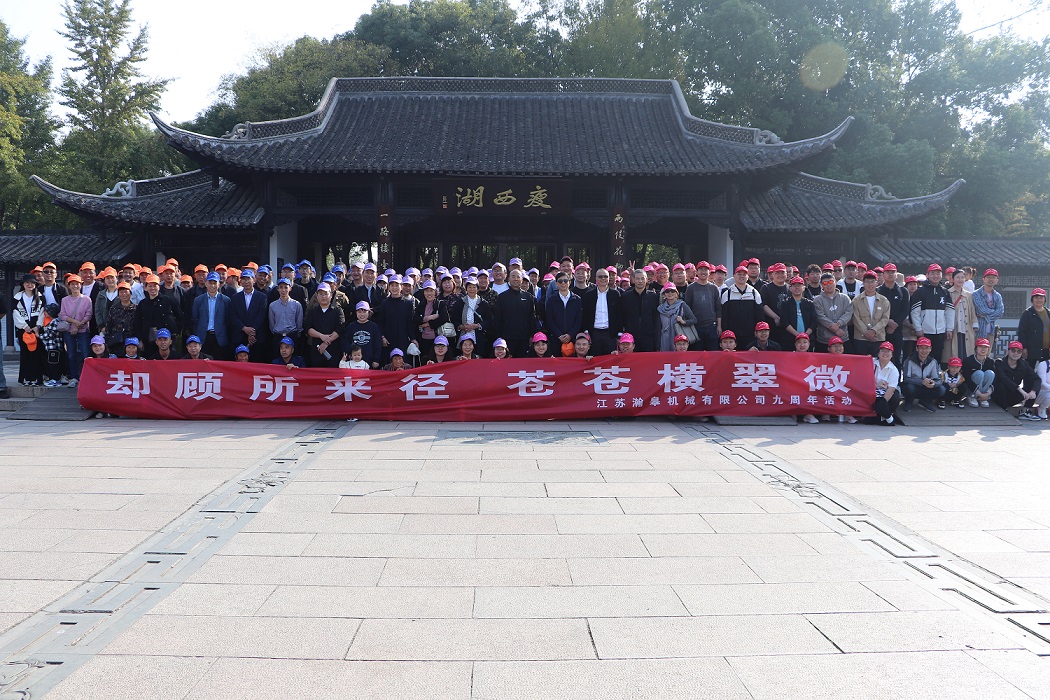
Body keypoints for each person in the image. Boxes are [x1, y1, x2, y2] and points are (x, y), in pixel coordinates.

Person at [910, 264, 953, 366]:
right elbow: (915, 312)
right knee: (922, 356)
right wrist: (918, 328)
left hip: (940, 331)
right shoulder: (920, 291)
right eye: (933, 273)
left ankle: (935, 374)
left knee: (937, 356)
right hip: (925, 331)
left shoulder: (944, 291)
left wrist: (949, 328)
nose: (935, 276)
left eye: (938, 273)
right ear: (927, 275)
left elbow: (949, 311)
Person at [492, 269, 538, 359]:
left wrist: (532, 335)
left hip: (524, 339)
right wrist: (499, 337)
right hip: (507, 339)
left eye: (518, 277)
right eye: (513, 276)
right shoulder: (502, 297)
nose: (516, 279)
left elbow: (532, 317)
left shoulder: (528, 297)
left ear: (521, 279)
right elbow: (497, 319)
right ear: (509, 279)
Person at [58, 274, 93, 387]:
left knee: (85, 354)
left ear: (81, 285)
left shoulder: (86, 299)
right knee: (71, 355)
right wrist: (75, 323)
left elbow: (88, 315)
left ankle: (86, 377)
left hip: (83, 331)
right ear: (69, 286)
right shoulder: (65, 300)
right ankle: (74, 377)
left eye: (77, 284)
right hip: (69, 331)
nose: (75, 286)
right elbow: (62, 315)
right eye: (72, 284)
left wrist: (78, 326)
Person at [230, 268, 271, 363]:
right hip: (240, 336)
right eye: (244, 279)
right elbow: (233, 315)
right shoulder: (235, 297)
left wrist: (251, 332)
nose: (246, 282)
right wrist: (244, 328)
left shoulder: (262, 297)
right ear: (240, 281)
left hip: (257, 337)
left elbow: (262, 316)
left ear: (254, 280)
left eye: (248, 279)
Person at [994, 341, 1041, 419]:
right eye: (1013, 350)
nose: (1016, 353)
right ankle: (1003, 410)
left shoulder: (1024, 364)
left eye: (1019, 351)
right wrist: (1019, 389)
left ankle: (1025, 410)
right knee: (1001, 385)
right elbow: (1003, 378)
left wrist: (1033, 391)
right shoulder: (999, 362)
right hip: (999, 396)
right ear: (1007, 351)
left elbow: (1036, 379)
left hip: (1013, 395)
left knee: (1033, 384)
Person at [191, 272, 232, 361]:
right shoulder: (198, 300)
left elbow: (228, 320)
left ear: (219, 284)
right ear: (206, 283)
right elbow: (195, 319)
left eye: (215, 283)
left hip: (220, 338)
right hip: (204, 337)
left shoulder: (226, 300)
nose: (212, 285)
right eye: (210, 283)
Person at [13, 274, 45, 386]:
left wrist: (38, 326)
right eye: (27, 282)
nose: (30, 285)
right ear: (23, 284)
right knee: (25, 354)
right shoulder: (17, 298)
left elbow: (42, 313)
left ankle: (37, 379)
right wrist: (24, 326)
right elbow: (15, 313)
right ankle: (26, 379)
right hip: (23, 330)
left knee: (37, 355)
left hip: (36, 330)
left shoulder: (40, 297)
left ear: (35, 284)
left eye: (32, 283)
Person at [581, 267, 622, 355]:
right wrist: (586, 332)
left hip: (610, 334)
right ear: (596, 278)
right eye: (600, 277)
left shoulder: (615, 294)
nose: (603, 279)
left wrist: (619, 334)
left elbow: (619, 314)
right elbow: (585, 315)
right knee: (594, 359)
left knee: (611, 359)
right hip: (594, 333)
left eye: (605, 276)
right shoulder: (589, 295)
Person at [719, 265, 763, 348]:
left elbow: (759, 314)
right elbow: (723, 316)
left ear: (747, 276)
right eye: (739, 274)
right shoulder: (727, 294)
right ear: (734, 276)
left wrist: (757, 330)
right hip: (732, 336)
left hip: (750, 334)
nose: (742, 276)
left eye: (744, 274)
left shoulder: (754, 293)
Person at [851, 271, 890, 357]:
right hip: (861, 338)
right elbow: (856, 319)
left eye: (872, 281)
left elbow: (885, 319)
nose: (870, 284)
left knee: (877, 362)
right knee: (861, 362)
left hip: (878, 338)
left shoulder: (884, 300)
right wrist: (867, 333)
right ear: (863, 283)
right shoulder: (856, 300)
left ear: (877, 283)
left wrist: (874, 331)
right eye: (867, 282)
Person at [304, 283, 344, 368]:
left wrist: (326, 342)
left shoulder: (337, 311)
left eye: (326, 294)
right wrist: (321, 336)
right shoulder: (312, 311)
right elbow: (308, 328)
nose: (323, 297)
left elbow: (340, 328)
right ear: (317, 296)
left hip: (334, 350)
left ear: (331, 295)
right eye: (321, 294)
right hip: (316, 350)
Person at [683, 262, 721, 350]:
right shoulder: (691, 288)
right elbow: (687, 309)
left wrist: (719, 326)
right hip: (696, 326)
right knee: (697, 354)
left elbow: (718, 308)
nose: (703, 272)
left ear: (709, 272)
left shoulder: (714, 288)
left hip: (711, 326)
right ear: (696, 272)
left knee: (713, 354)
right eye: (701, 269)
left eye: (705, 270)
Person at [620, 269, 660, 352]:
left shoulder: (653, 297)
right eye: (637, 278)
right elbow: (621, 317)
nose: (640, 281)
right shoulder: (626, 297)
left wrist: (657, 341)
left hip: (649, 338)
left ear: (646, 279)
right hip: (630, 338)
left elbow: (656, 319)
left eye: (642, 278)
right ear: (633, 280)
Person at [902, 336, 946, 412]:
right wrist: (922, 382)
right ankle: (908, 402)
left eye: (926, 348)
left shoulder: (933, 362)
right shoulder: (909, 361)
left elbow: (938, 380)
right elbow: (906, 378)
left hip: (927, 387)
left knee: (941, 389)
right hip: (914, 386)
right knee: (909, 387)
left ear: (930, 349)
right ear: (917, 348)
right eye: (921, 348)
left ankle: (925, 402)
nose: (924, 350)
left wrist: (933, 383)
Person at [812, 273, 852, 353]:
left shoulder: (845, 298)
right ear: (821, 285)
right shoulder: (817, 300)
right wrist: (835, 328)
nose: (828, 285)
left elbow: (848, 313)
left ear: (835, 282)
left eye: (830, 282)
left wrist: (839, 323)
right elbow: (820, 316)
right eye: (825, 283)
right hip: (824, 340)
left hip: (842, 338)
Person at [451, 277, 491, 356]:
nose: (472, 289)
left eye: (474, 287)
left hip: (478, 336)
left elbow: (488, 320)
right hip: (463, 334)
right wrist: (461, 326)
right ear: (466, 288)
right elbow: (454, 319)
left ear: (477, 288)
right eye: (469, 287)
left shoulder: (484, 303)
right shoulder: (459, 303)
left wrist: (476, 326)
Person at [945, 268, 977, 365]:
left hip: (966, 326)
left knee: (966, 351)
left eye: (962, 277)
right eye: (957, 277)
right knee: (954, 351)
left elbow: (972, 310)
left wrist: (975, 324)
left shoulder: (968, 295)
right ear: (953, 279)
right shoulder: (947, 293)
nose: (960, 279)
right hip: (953, 327)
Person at [268, 278, 304, 358]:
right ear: (278, 289)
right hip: (278, 336)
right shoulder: (272, 305)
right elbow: (272, 323)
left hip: (292, 335)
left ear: (290, 288)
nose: (283, 290)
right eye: (281, 287)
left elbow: (299, 322)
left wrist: (297, 334)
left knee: (293, 360)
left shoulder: (296, 305)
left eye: (286, 287)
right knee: (277, 360)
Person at [342, 301, 384, 369]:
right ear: (356, 313)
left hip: (369, 361)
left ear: (369, 312)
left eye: (364, 312)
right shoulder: (350, 326)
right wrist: (349, 353)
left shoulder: (374, 327)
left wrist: (376, 359)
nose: (362, 314)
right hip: (353, 362)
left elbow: (378, 344)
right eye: (359, 312)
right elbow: (345, 341)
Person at [778, 276, 815, 348]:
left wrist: (805, 335)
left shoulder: (809, 303)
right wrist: (797, 335)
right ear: (790, 288)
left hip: (807, 340)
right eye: (794, 285)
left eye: (799, 285)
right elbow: (784, 321)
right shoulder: (785, 303)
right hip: (790, 340)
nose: (797, 288)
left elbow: (814, 321)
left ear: (803, 288)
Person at [1016, 288, 1050, 368]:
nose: (1039, 300)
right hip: (1032, 349)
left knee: (1045, 371)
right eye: (1036, 297)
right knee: (1029, 371)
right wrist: (1024, 348)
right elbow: (1022, 332)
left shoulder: (1048, 313)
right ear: (1032, 299)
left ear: (1044, 299)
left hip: (1047, 350)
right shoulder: (1027, 313)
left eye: (1041, 297)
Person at [872, 341, 902, 425]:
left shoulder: (893, 370)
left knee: (895, 396)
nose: (885, 353)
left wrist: (883, 404)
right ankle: (888, 418)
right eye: (883, 351)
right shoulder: (871, 363)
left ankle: (886, 416)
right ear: (878, 353)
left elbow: (891, 389)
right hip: (870, 390)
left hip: (884, 393)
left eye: (888, 351)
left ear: (891, 355)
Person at [972, 268, 1004, 342]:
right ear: (983, 279)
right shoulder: (976, 294)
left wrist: (985, 317)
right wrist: (994, 311)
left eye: (993, 277)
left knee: (989, 350)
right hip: (978, 330)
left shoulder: (997, 296)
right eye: (988, 277)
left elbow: (1000, 312)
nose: (991, 279)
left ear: (997, 280)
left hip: (991, 331)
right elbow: (982, 310)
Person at [963, 337, 996, 407]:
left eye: (985, 347)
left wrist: (988, 393)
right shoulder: (968, 361)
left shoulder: (990, 362)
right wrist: (979, 393)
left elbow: (995, 380)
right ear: (976, 348)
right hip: (970, 390)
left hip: (984, 391)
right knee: (979, 373)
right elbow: (967, 379)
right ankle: (973, 396)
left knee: (990, 373)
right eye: (980, 346)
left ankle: (983, 398)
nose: (983, 349)